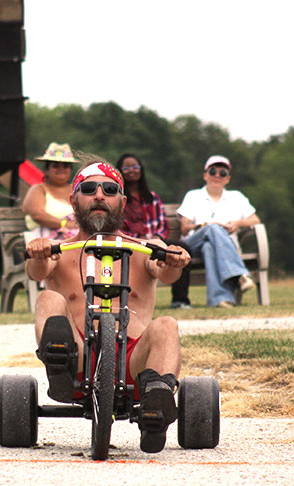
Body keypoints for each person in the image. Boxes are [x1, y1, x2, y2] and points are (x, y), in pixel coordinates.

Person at [25, 161, 191, 453]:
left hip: (134, 363)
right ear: (73, 199)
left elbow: (165, 271)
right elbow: (37, 272)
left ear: (122, 201)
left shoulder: (145, 248)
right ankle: (58, 358)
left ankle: (157, 401)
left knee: (167, 325)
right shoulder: (59, 252)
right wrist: (38, 252)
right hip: (75, 358)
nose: (100, 195)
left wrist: (172, 259)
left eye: (110, 189)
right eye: (89, 189)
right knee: (48, 299)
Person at [176, 155, 259, 308]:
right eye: (213, 171)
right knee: (213, 228)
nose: (217, 176)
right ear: (205, 175)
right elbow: (184, 227)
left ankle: (219, 299)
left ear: (228, 178)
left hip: (222, 249)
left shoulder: (237, 197)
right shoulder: (193, 196)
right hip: (193, 244)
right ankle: (240, 274)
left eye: (222, 173)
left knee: (210, 247)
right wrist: (203, 226)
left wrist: (238, 223)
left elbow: (255, 220)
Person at [116, 153, 193, 309]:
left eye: (135, 166)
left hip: (154, 242)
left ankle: (180, 300)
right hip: (129, 243)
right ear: (120, 171)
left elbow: (163, 225)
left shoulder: (152, 198)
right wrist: (137, 239)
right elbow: (117, 227)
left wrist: (156, 238)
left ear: (141, 170)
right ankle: (127, 302)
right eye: (127, 167)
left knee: (181, 249)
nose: (131, 170)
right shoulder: (118, 199)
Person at [22, 142, 80, 241]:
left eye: (65, 166)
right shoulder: (38, 189)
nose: (61, 169)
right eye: (56, 166)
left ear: (70, 170)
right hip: (43, 242)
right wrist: (66, 225)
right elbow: (38, 215)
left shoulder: (77, 190)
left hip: (76, 240)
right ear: (46, 169)